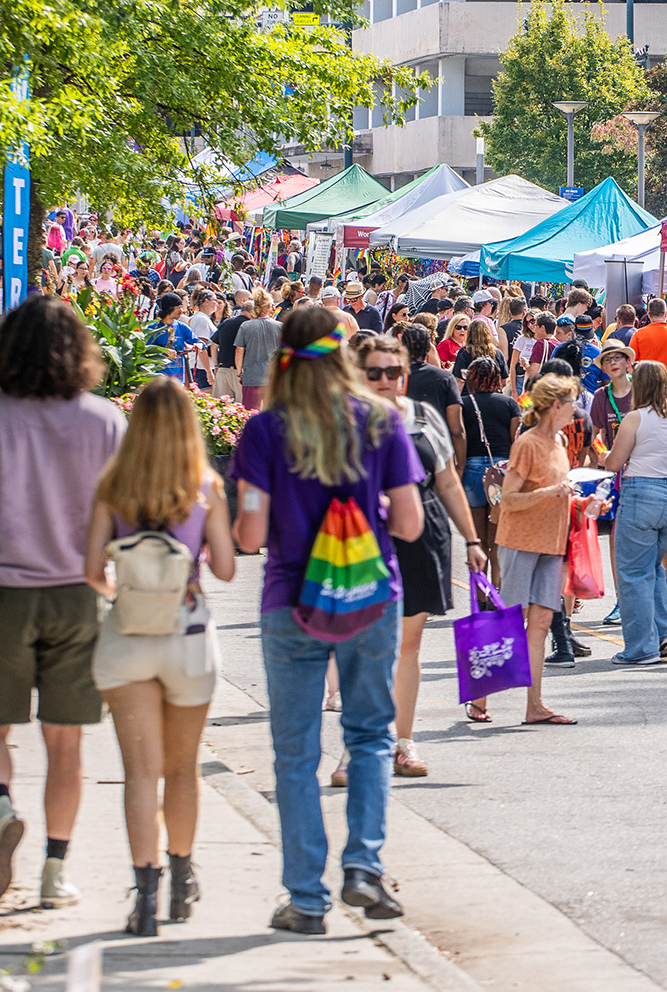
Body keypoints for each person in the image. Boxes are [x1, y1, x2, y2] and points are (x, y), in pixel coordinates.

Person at [0, 296, 128, 910]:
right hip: (79, 594)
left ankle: (3, 808)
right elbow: (125, 518)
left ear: (4, 351)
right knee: (66, 742)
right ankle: (54, 871)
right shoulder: (106, 421)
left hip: (0, 593)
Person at [230, 307, 425, 933]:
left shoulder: (264, 432)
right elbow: (410, 524)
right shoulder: (382, 421)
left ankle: (307, 899)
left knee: (295, 753)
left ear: (284, 354)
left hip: (291, 601)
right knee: (369, 736)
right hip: (371, 596)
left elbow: (252, 534)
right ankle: (364, 867)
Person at [82, 379, 235, 936]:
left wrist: (131, 590)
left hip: (129, 636)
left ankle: (144, 896)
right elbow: (225, 569)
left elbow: (91, 571)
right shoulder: (205, 485)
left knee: (139, 773)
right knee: (183, 767)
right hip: (189, 634)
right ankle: (182, 878)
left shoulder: (113, 485)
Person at [346, 335, 484, 779]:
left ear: (405, 375)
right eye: (375, 373)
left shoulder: (422, 416)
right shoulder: (344, 419)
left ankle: (403, 742)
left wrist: (473, 540)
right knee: (364, 644)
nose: (386, 381)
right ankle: (359, 745)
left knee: (408, 645)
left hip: (422, 532)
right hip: (361, 535)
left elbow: (446, 482)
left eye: (394, 372)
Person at [493, 375, 587, 725]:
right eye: (572, 403)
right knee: (511, 619)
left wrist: (583, 503)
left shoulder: (560, 440)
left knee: (543, 620)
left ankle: (535, 705)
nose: (576, 409)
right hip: (520, 540)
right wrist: (549, 493)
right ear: (555, 406)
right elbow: (509, 500)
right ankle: (481, 694)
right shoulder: (528, 443)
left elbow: (560, 490)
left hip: (552, 541)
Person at [600, 360, 667, 662]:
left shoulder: (635, 418)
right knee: (652, 566)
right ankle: (665, 630)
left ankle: (640, 648)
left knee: (633, 573)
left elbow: (614, 463)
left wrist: (601, 454)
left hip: (643, 493)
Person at [457, 358, 521, 597]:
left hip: (472, 468)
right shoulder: (509, 404)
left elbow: (458, 435)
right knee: (498, 539)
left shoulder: (463, 404)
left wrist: (459, 468)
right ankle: (497, 591)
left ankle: (480, 595)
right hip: (501, 472)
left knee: (477, 539)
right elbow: (516, 439)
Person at [235, 292, 282, 410]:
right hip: (272, 377)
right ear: (267, 307)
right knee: (271, 413)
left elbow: (239, 352)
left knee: (249, 413)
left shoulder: (245, 326)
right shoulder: (280, 326)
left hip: (251, 376)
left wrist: (239, 373)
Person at [630, 296, 667, 378]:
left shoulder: (638, 335)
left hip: (646, 384)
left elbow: (630, 361)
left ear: (649, 315)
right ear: (666, 314)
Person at [145, 292, 198, 382]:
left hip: (178, 379)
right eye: (178, 308)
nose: (181, 311)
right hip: (158, 379)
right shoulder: (152, 328)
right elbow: (145, 349)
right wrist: (163, 350)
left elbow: (197, 341)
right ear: (169, 309)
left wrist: (198, 345)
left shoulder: (182, 327)